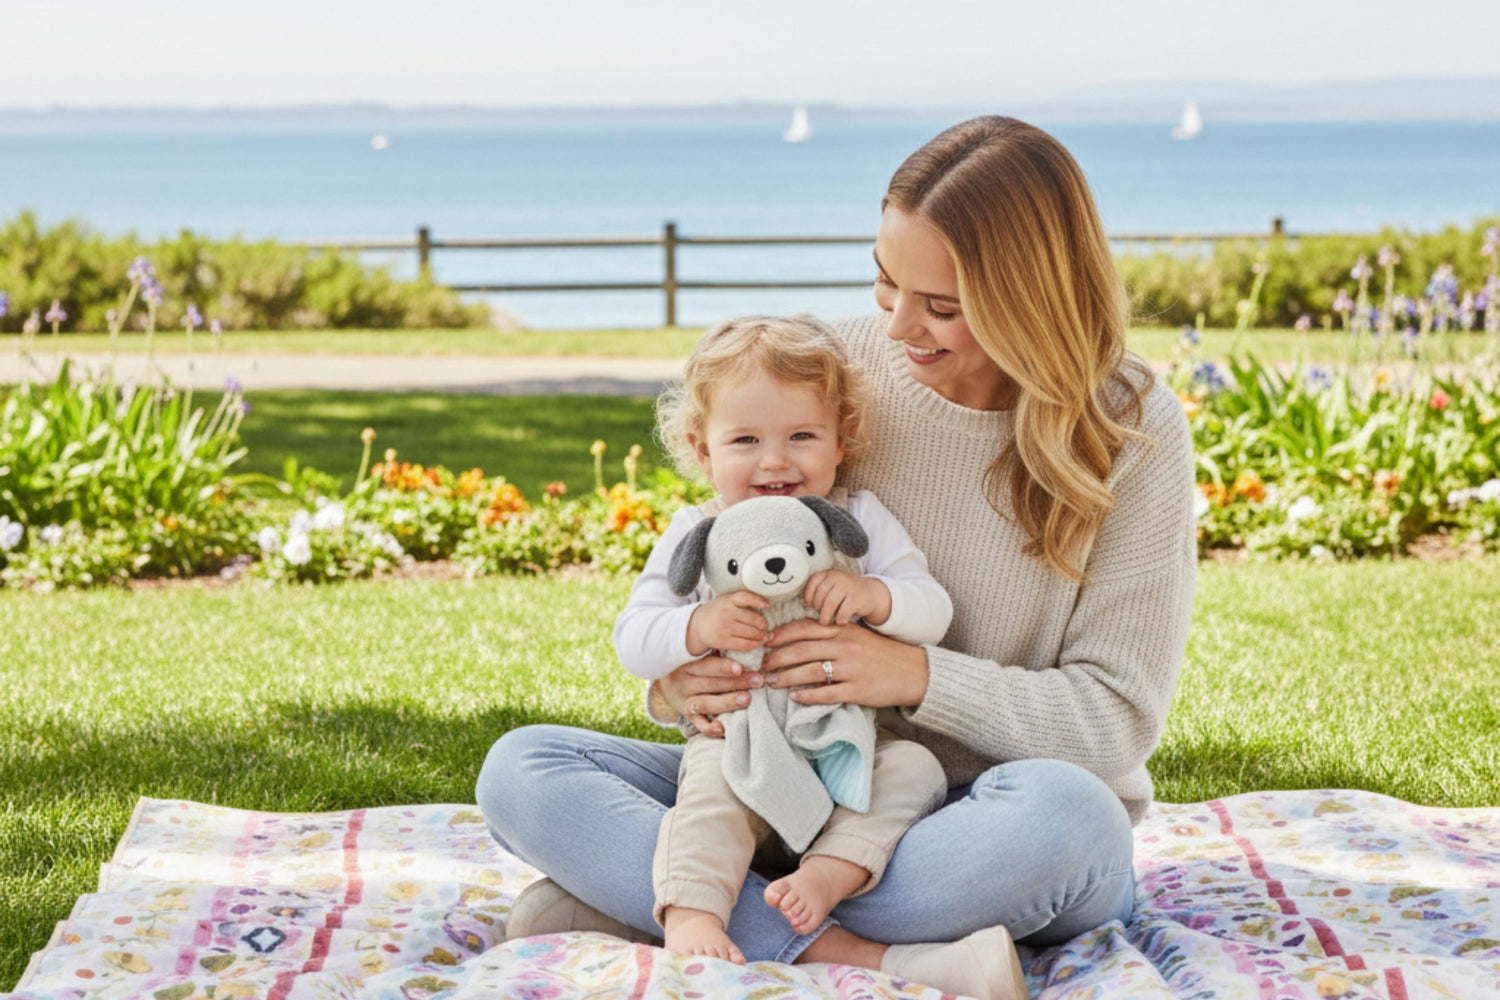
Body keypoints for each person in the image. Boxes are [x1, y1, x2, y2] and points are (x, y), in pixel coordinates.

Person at [476, 115, 1196, 1000]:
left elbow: (1116, 723)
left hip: (976, 820)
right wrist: (682, 683)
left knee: (1073, 819)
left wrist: (912, 674)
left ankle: (662, 907)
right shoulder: (840, 367)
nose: (898, 328)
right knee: (523, 769)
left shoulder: (1130, 431)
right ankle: (855, 955)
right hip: (792, 784)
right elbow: (738, 550)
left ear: (1029, 300)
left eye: (941, 307)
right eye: (886, 284)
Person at [612, 315, 958, 968]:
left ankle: (828, 873)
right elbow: (633, 638)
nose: (775, 460)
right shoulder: (697, 532)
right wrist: (696, 629)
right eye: (745, 439)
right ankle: (692, 912)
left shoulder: (859, 521)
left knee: (916, 771)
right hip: (741, 739)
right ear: (702, 446)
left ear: (841, 440)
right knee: (706, 793)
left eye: (802, 435)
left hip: (848, 740)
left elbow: (931, 608)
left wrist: (874, 598)